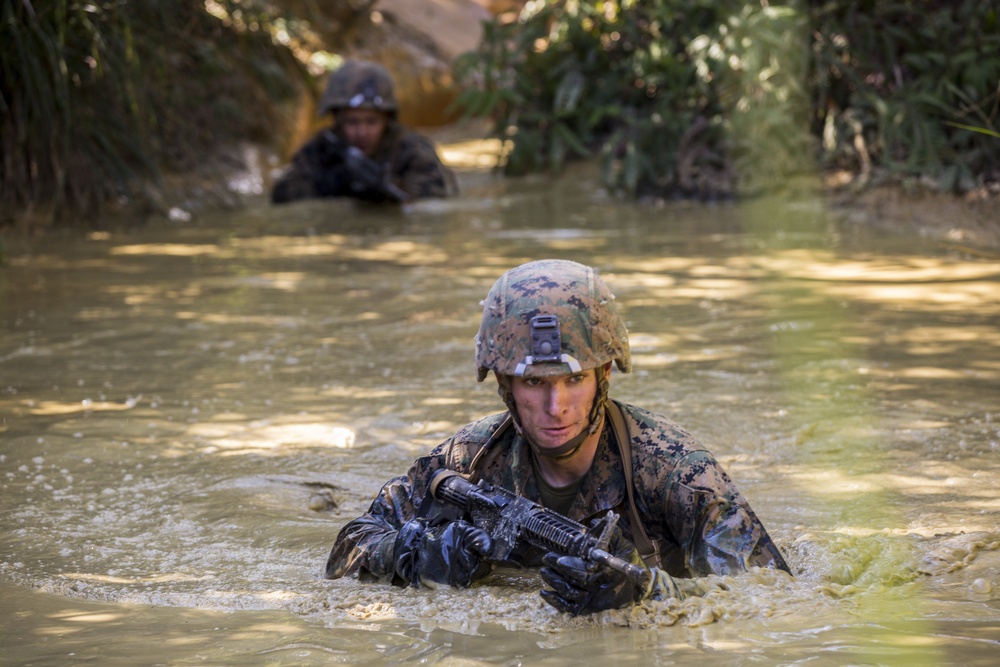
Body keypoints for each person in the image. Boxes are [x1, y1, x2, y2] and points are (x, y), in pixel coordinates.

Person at [325, 259, 791, 616]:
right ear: (504, 385)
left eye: (573, 381)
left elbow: (771, 598)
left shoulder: (674, 470)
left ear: (604, 375)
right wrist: (417, 555)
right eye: (534, 384)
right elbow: (348, 549)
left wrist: (644, 595)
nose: (556, 407)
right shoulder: (468, 460)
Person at [271, 59, 455, 204]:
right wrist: (332, 183)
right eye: (352, 122)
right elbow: (282, 195)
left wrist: (389, 190)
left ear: (387, 119)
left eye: (371, 121)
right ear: (338, 120)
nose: (362, 132)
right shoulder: (325, 147)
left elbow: (437, 198)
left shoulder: (410, 148)